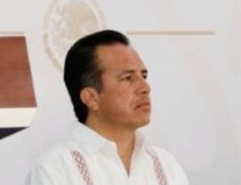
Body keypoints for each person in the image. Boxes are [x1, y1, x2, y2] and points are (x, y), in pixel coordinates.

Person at [26, 30, 189, 184]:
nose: (145, 87)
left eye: (144, 75)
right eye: (128, 78)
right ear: (91, 98)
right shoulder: (55, 170)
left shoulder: (166, 165)